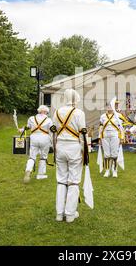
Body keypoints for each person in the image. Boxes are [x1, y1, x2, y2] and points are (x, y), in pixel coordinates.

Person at [52, 89, 86, 223]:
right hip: (74, 148)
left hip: (60, 146)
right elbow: (82, 134)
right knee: (73, 180)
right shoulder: (79, 113)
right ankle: (70, 214)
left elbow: (53, 132)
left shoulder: (56, 112)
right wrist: (84, 152)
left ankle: (59, 214)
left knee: (61, 180)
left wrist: (55, 149)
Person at [21, 105, 53, 183]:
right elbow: (51, 131)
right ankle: (41, 175)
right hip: (45, 138)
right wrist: (52, 142)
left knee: (32, 156)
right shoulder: (48, 120)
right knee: (43, 157)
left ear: (39, 111)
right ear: (45, 112)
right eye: (47, 112)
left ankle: (28, 170)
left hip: (34, 138)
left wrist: (21, 129)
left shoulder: (31, 118)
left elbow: (27, 127)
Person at [98, 103, 124, 178]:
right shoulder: (102, 116)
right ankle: (107, 170)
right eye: (108, 106)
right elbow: (100, 127)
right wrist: (99, 137)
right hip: (105, 136)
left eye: (110, 106)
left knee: (114, 153)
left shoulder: (118, 115)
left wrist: (122, 137)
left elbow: (121, 127)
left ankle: (115, 170)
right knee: (106, 154)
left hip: (115, 135)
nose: (109, 107)